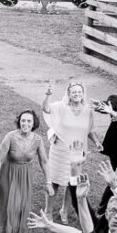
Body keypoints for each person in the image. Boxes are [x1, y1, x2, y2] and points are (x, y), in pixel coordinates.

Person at [0, 109, 49, 233]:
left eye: (29, 121)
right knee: (9, 204)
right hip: (9, 173)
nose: (25, 123)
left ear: (34, 123)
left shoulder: (37, 140)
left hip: (25, 175)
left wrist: (49, 181)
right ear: (19, 121)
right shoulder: (10, 137)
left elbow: (44, 161)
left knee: (22, 205)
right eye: (23, 120)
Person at [41, 79, 99, 220]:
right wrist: (48, 94)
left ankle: (64, 210)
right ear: (69, 93)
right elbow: (46, 109)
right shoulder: (61, 107)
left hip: (78, 152)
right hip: (60, 150)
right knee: (54, 180)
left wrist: (96, 142)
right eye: (73, 92)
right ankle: (48, 211)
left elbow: (90, 130)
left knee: (71, 182)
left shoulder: (88, 111)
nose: (76, 94)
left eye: (79, 92)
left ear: (83, 94)